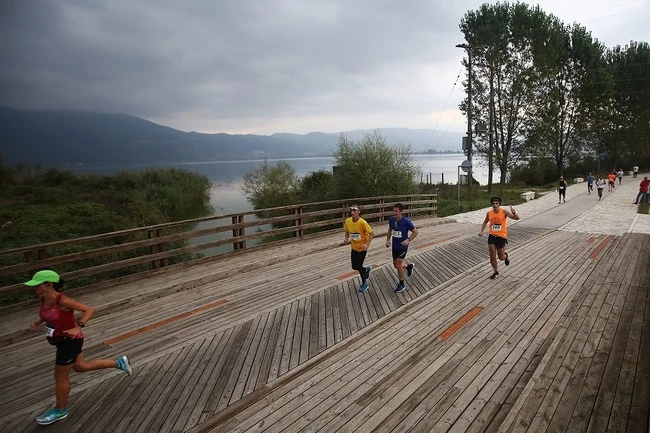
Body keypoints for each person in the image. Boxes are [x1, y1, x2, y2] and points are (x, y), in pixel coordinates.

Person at [25, 270, 132, 425]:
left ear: (49, 284)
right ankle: (119, 363)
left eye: (37, 285)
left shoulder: (63, 301)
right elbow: (47, 314)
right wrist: (37, 323)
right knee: (81, 367)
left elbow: (89, 309)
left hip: (70, 342)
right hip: (60, 341)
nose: (34, 288)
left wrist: (78, 326)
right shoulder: (43, 299)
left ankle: (61, 410)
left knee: (60, 377)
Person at [479, 197, 520, 279]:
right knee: (492, 255)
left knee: (501, 257)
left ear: (499, 204)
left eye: (496, 203)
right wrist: (482, 231)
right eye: (493, 203)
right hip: (492, 236)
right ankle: (495, 271)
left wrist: (514, 213)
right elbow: (485, 222)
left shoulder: (504, 211)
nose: (495, 205)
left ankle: (506, 256)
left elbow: (517, 218)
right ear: (491, 204)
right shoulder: (489, 213)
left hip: (501, 236)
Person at [385, 203, 418, 293]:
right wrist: (388, 240)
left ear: (401, 212)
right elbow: (390, 230)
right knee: (395, 265)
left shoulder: (406, 221)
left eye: (396, 211)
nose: (394, 213)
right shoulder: (391, 219)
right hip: (395, 246)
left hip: (403, 246)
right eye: (393, 211)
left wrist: (408, 239)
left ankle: (401, 284)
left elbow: (415, 232)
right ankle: (408, 267)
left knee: (399, 264)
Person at [344, 205, 374, 292]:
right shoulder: (348, 221)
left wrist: (367, 244)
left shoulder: (362, 222)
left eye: (354, 210)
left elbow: (372, 234)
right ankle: (367, 269)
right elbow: (346, 231)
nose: (352, 212)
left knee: (359, 266)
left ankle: (364, 284)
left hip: (362, 248)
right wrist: (346, 238)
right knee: (354, 266)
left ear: (359, 212)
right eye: (351, 210)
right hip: (354, 247)